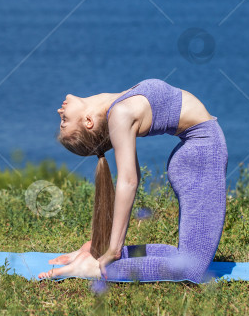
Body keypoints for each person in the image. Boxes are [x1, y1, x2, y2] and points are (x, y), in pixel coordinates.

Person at [38, 78, 228, 283]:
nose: (60, 113)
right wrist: (113, 249)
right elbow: (129, 181)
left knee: (181, 256)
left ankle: (93, 256)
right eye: (64, 121)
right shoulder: (120, 113)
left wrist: (111, 247)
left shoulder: (117, 107)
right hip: (203, 157)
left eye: (63, 120)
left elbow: (131, 176)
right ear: (88, 122)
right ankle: (94, 268)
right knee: (190, 270)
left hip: (197, 156)